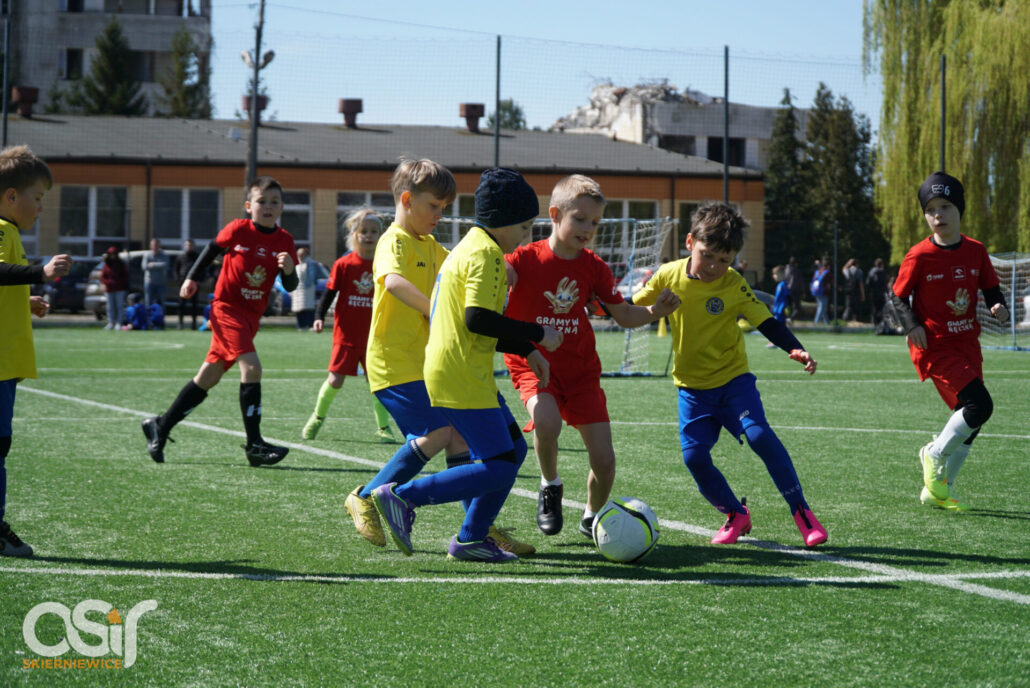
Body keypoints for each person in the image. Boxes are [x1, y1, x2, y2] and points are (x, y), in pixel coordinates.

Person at [344, 158, 538, 554]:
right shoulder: (395, 240)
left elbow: (465, 268)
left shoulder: (435, 248)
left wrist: (504, 266)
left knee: (460, 439)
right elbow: (393, 282)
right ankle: (369, 495)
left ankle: (476, 527)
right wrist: (435, 308)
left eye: (445, 208)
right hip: (396, 362)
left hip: (430, 360)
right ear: (406, 200)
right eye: (434, 206)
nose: (440, 215)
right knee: (440, 433)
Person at [632, 202, 828, 547]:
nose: (714, 267)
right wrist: (607, 304)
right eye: (707, 255)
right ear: (690, 242)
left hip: (733, 382)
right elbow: (632, 306)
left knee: (759, 436)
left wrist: (794, 348)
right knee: (694, 458)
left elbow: (765, 321)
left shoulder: (734, 283)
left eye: (724, 260)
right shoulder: (667, 275)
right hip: (692, 389)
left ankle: (802, 513)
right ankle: (736, 514)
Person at [503, 174, 680, 537]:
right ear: (554, 214)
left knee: (604, 460)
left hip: (581, 371)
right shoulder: (521, 260)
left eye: (595, 223)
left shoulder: (595, 267)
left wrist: (656, 311)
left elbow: (624, 315)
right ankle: (550, 484)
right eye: (580, 219)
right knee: (547, 423)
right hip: (534, 363)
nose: (588, 228)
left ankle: (591, 516)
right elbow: (487, 277)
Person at [141, 176, 298, 467]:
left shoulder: (285, 240)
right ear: (249, 206)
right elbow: (211, 249)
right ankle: (255, 445)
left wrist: (289, 271)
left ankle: (160, 426)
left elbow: (291, 285)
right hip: (226, 309)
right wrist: (191, 277)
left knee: (209, 376)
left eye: (274, 202)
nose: (268, 206)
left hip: (251, 316)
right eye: (261, 201)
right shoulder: (238, 229)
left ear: (281, 207)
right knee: (252, 367)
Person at [890, 171, 1009, 511]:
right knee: (979, 406)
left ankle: (939, 490)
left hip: (967, 343)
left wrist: (998, 305)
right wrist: (912, 325)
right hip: (935, 346)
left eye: (945, 207)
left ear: (960, 210)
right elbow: (897, 297)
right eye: (930, 210)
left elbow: (991, 289)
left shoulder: (976, 251)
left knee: (971, 420)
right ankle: (934, 454)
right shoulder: (919, 255)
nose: (938, 215)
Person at [0, 144, 71, 557]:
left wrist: (23, 301)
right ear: (12, 196)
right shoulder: (2, 229)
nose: (42, 207)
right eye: (38, 198)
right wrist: (40, 272)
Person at [302, 209, 396, 443]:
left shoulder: (385, 263)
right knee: (335, 380)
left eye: (373, 231)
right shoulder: (344, 264)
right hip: (346, 335)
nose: (369, 236)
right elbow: (329, 292)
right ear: (354, 234)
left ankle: (383, 427)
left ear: (381, 235)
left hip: (374, 336)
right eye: (364, 231)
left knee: (377, 383)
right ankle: (317, 418)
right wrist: (319, 316)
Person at [100, 245, 128, 331]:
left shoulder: (121, 264)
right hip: (109, 289)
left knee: (119, 306)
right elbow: (103, 276)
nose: (112, 256)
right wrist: (107, 283)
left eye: (114, 254)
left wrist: (118, 283)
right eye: (111, 254)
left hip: (119, 289)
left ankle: (119, 323)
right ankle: (111, 322)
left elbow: (125, 276)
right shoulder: (106, 264)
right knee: (110, 307)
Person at [175, 239, 200, 330]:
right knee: (181, 305)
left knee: (194, 305)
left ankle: (194, 324)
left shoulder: (198, 257)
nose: (189, 247)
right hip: (183, 284)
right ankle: (180, 324)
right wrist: (179, 281)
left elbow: (203, 269)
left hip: (194, 284)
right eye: (187, 245)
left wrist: (199, 280)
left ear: (194, 246)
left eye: (190, 245)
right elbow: (176, 270)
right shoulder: (181, 257)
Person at [291, 246, 318, 331]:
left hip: (307, 290)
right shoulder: (296, 264)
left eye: (302, 254)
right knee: (298, 309)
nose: (300, 255)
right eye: (298, 254)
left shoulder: (311, 264)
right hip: (297, 290)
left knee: (308, 308)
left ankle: (311, 325)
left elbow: (312, 277)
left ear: (306, 254)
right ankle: (301, 326)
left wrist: (305, 286)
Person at [765, 265, 790, 348]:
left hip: (780, 311)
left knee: (775, 327)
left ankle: (774, 342)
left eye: (775, 274)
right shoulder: (780, 285)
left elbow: (787, 298)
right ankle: (782, 342)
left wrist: (785, 309)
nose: (774, 276)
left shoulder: (783, 285)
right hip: (777, 310)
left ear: (781, 274)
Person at [143, 238, 170, 310]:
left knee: (161, 302)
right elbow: (144, 266)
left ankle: (160, 316)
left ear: (159, 246)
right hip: (149, 282)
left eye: (157, 245)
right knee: (148, 302)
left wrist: (153, 265)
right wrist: (159, 265)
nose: (155, 246)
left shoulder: (164, 255)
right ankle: (148, 316)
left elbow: (165, 265)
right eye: (153, 245)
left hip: (161, 283)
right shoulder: (147, 255)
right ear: (150, 246)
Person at [866, 257, 888, 327]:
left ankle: (874, 321)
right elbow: (885, 283)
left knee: (874, 307)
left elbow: (868, 283)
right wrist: (886, 291)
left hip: (873, 293)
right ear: (882, 264)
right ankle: (880, 321)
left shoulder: (871, 272)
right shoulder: (883, 272)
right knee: (881, 308)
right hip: (881, 293)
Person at [810, 257, 831, 324]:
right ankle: (816, 322)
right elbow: (829, 284)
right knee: (821, 307)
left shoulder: (818, 272)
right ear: (828, 266)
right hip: (824, 292)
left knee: (823, 308)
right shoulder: (827, 273)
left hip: (816, 291)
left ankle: (827, 322)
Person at [783, 256, 804, 322]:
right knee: (797, 307)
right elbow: (800, 282)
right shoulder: (796, 271)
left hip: (787, 289)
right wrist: (802, 291)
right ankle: (790, 318)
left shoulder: (786, 269)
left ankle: (787, 317)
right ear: (796, 263)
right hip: (795, 290)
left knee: (788, 306)